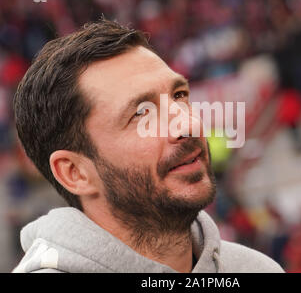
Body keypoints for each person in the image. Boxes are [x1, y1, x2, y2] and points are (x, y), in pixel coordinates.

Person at [12, 19, 284, 273]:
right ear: (75, 173)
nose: (187, 124)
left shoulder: (257, 268)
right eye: (142, 114)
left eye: (179, 95)